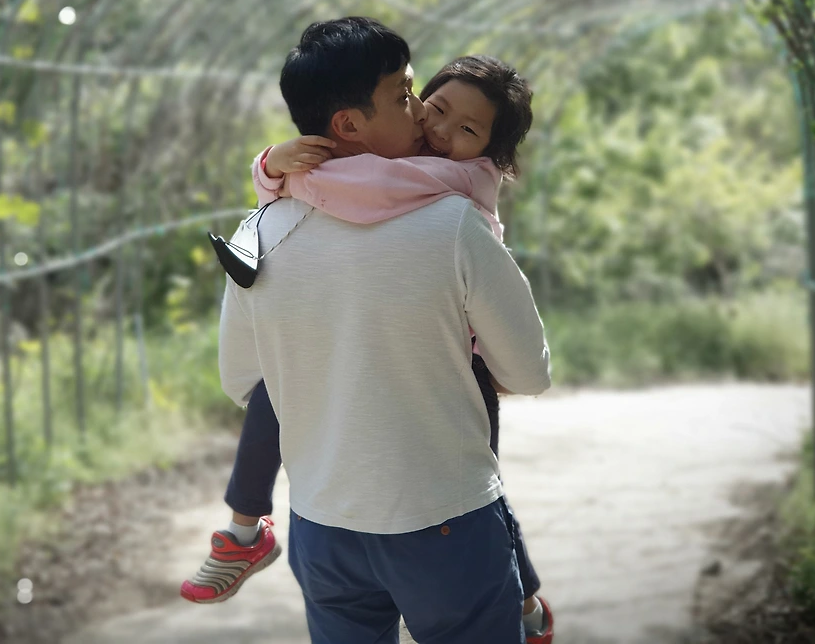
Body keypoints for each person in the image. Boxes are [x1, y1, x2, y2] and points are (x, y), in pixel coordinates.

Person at [181, 55, 554, 641]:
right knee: (484, 490)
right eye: (425, 103)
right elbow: (529, 372)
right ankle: (525, 605)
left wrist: (274, 173)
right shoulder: (452, 223)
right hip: (443, 519)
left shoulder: (266, 227)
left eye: (467, 129)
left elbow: (243, 380)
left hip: (324, 522)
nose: (437, 128)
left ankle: (244, 531)